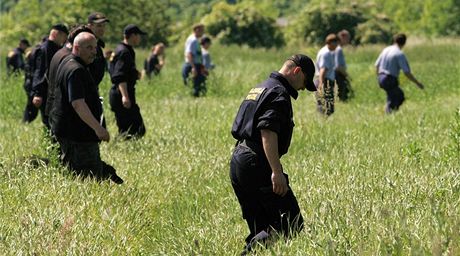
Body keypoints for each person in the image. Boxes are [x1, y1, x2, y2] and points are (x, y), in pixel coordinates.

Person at [230, 54, 316, 254]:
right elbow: (267, 131)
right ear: (297, 72)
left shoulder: (260, 87)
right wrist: (276, 172)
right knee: (291, 223)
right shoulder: (279, 93)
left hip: (239, 160)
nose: (303, 88)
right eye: (304, 82)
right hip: (256, 162)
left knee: (262, 228)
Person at [49, 32, 123, 184]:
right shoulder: (76, 69)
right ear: (76, 47)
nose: (94, 52)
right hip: (78, 135)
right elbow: (78, 103)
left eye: (95, 47)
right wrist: (98, 128)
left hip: (73, 132)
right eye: (89, 48)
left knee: (80, 175)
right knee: (88, 178)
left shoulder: (70, 62)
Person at [109, 24, 146, 139]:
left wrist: (135, 73)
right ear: (133, 35)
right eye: (138, 35)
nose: (140, 38)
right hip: (122, 92)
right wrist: (125, 96)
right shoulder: (124, 52)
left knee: (131, 128)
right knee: (133, 129)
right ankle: (120, 147)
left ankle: (123, 147)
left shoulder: (122, 49)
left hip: (120, 91)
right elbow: (120, 76)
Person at [375, 33, 424, 113]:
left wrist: (379, 78)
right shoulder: (399, 54)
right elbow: (407, 72)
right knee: (398, 97)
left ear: (394, 40)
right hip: (390, 78)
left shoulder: (386, 49)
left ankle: (390, 112)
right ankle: (389, 114)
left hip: (381, 77)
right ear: (404, 43)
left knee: (395, 95)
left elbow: (377, 65)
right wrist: (417, 83)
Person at [31, 23, 69, 128]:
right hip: (46, 91)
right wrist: (38, 93)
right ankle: (51, 143)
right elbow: (41, 71)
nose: (64, 41)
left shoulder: (55, 48)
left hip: (53, 90)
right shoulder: (46, 49)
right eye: (64, 37)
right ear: (58, 34)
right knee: (49, 122)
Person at [23, 37, 46, 123]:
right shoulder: (40, 51)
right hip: (32, 81)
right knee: (31, 106)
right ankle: (26, 121)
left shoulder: (32, 51)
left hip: (29, 81)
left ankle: (26, 121)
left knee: (30, 104)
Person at [316, 34, 339, 116]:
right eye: (335, 42)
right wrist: (321, 84)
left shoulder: (325, 51)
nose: (337, 45)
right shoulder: (326, 53)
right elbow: (323, 70)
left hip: (324, 81)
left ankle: (324, 123)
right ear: (330, 42)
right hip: (325, 82)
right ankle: (324, 123)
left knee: (326, 106)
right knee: (326, 107)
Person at [182, 23, 207, 97]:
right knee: (195, 88)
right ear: (197, 30)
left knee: (199, 87)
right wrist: (193, 67)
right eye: (202, 30)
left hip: (196, 65)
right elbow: (189, 54)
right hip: (192, 66)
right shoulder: (193, 40)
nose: (203, 32)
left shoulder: (195, 40)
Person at [87, 12, 110, 87]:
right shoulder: (85, 45)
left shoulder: (97, 44)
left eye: (104, 26)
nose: (102, 29)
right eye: (99, 26)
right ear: (89, 26)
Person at [335, 29, 352, 101]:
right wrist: (347, 76)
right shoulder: (338, 49)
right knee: (343, 96)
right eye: (348, 38)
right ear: (342, 37)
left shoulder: (335, 48)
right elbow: (338, 66)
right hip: (338, 75)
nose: (348, 41)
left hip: (336, 74)